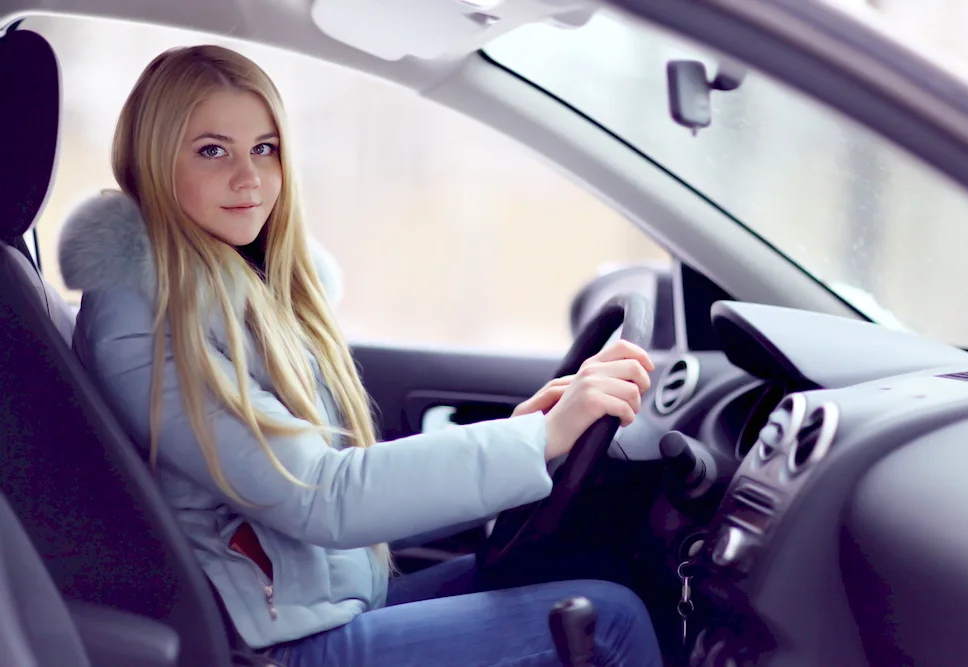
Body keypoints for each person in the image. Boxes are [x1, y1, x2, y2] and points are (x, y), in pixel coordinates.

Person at [58, 44, 663, 667]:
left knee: (594, 567)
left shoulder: (242, 286)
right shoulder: (150, 316)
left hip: (324, 605)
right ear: (155, 162)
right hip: (279, 646)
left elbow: (330, 479)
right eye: (213, 151)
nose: (250, 178)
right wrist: (539, 440)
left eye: (265, 149)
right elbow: (319, 494)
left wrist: (520, 436)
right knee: (611, 622)